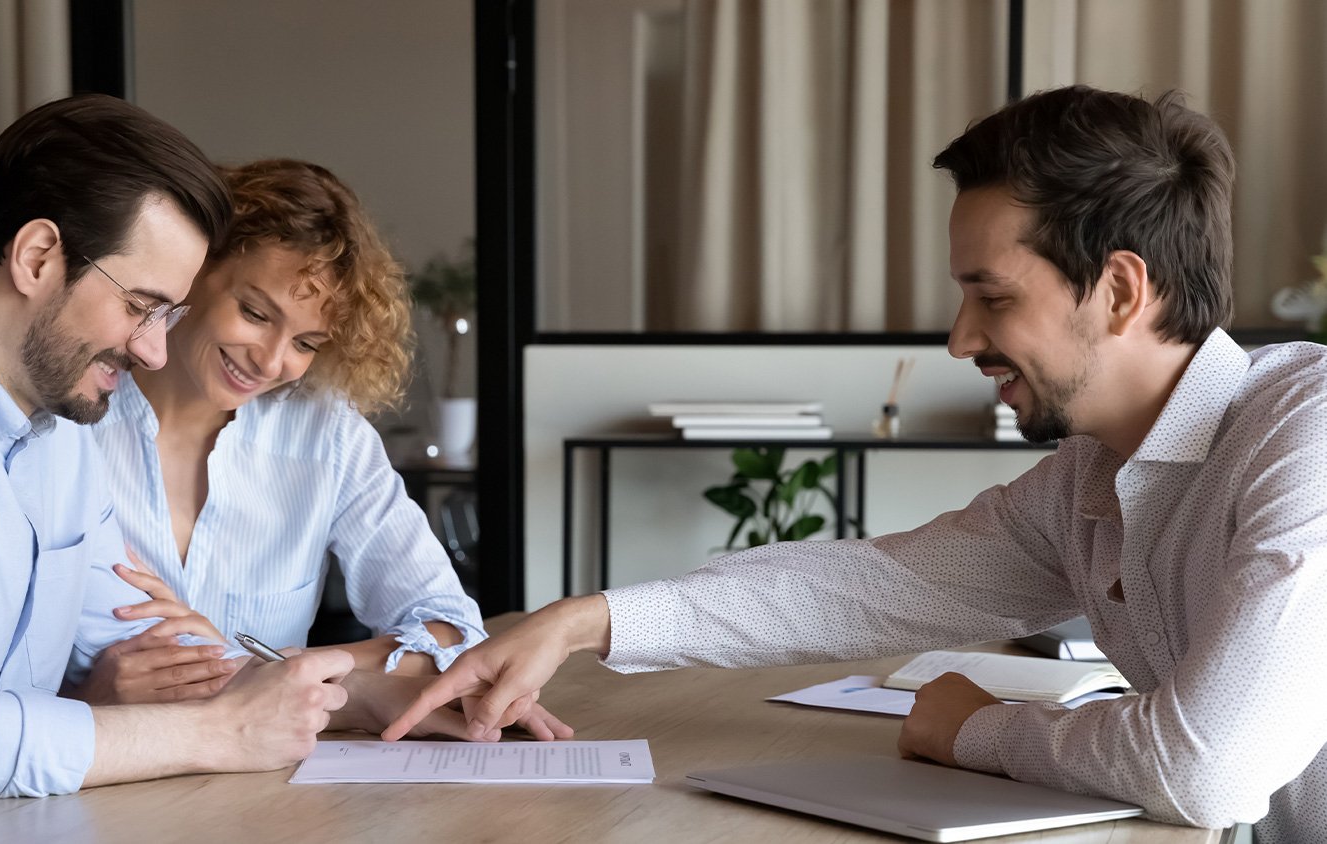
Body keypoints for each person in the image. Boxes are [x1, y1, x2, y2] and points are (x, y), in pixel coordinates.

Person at [385, 85, 1327, 842]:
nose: (962, 340)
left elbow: (1209, 767)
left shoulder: (1307, 437)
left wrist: (972, 730)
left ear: (1120, 289)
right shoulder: (1087, 481)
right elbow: (867, 586)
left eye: (990, 297)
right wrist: (588, 619)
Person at [0, 96, 354, 818]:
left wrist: (379, 690)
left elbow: (156, 648)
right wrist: (219, 731)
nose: (154, 349)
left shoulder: (62, 432)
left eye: (167, 315)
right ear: (37, 257)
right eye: (141, 305)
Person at [71, 158, 569, 740]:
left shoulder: (327, 435)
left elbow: (453, 631)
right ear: (194, 266)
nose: (272, 360)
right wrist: (86, 694)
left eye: (306, 342)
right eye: (255, 313)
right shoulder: (71, 418)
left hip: (266, 792)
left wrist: (280, 671)